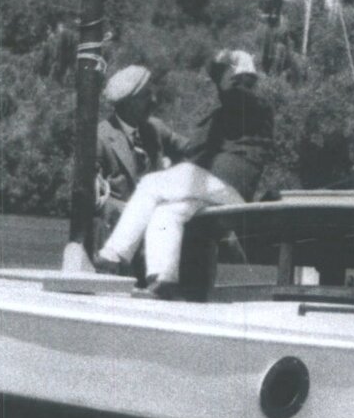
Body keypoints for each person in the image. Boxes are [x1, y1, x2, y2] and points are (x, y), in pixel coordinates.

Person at [96, 49, 274, 295]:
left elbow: (234, 97)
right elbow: (193, 148)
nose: (237, 86)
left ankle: (113, 254)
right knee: (168, 212)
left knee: (150, 184)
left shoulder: (254, 107)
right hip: (215, 187)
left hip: (225, 184)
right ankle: (163, 278)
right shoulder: (230, 114)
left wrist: (222, 67)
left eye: (241, 81)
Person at [94, 64, 179, 236]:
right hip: (117, 235)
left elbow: (193, 150)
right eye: (146, 95)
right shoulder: (99, 138)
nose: (154, 100)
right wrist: (126, 210)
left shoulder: (155, 128)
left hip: (159, 233)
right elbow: (90, 195)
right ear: (128, 102)